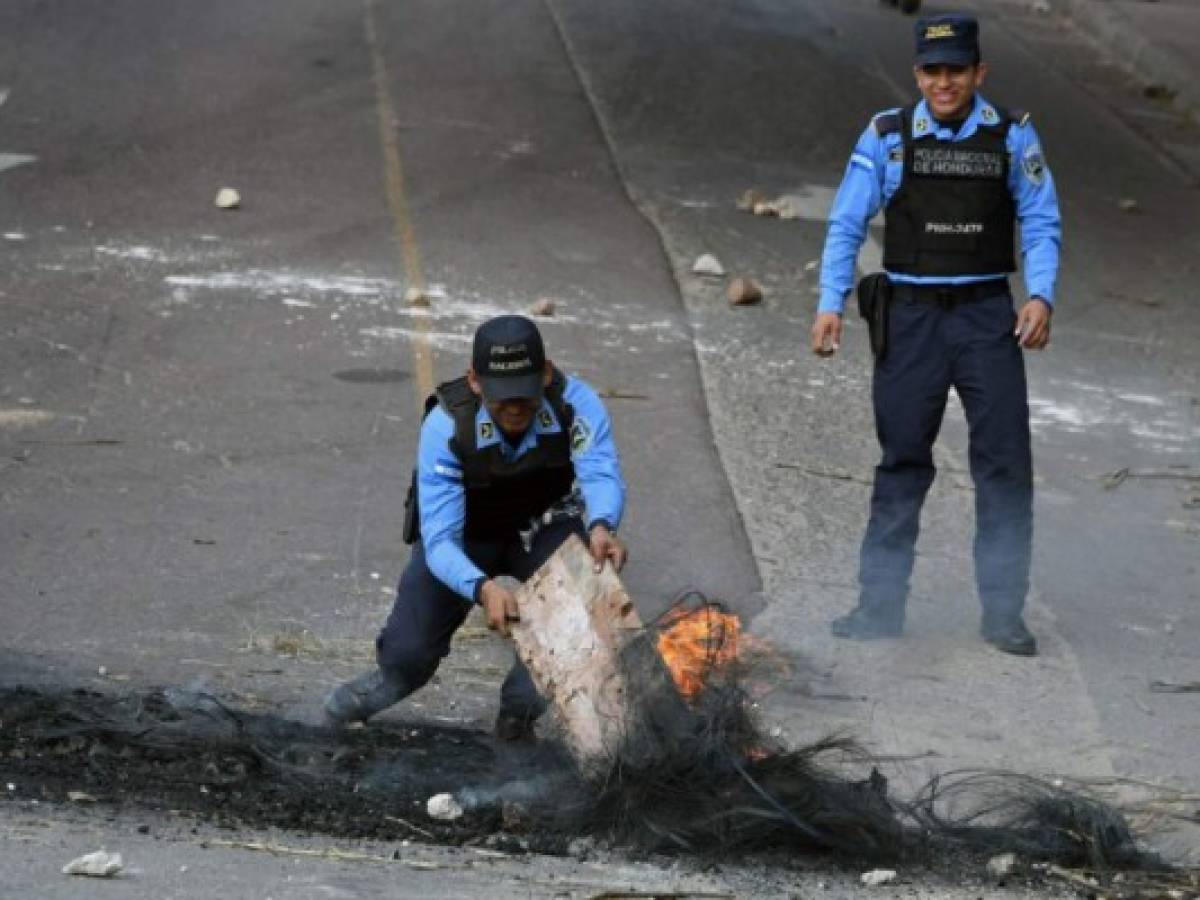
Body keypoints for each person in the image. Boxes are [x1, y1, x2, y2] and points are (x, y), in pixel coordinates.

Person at [809, 13, 1060, 656]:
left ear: (979, 72)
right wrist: (830, 302)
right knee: (902, 464)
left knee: (1005, 465)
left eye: (956, 71)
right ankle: (879, 608)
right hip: (912, 318)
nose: (943, 83)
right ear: (917, 73)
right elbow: (845, 223)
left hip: (984, 316)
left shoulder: (1011, 136)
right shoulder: (888, 136)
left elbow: (1040, 218)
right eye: (931, 71)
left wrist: (1040, 293)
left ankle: (1003, 614)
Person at [325, 314, 628, 736]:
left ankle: (517, 718)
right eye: (502, 396)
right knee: (406, 659)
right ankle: (337, 711)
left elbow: (600, 472)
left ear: (545, 374)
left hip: (545, 527)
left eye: (525, 393)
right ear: (474, 381)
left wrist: (601, 525)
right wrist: (482, 587)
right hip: (465, 536)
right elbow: (441, 540)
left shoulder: (577, 403)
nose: (516, 408)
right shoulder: (445, 426)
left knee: (582, 618)